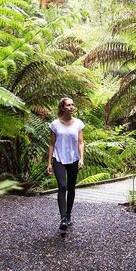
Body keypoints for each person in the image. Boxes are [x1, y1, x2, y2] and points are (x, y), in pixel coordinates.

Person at [46, 97, 85, 231]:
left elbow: (81, 142)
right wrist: (49, 163)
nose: (71, 107)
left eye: (72, 105)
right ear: (62, 108)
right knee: (62, 186)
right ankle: (63, 218)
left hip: (73, 159)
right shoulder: (55, 125)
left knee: (71, 187)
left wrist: (81, 159)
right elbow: (51, 144)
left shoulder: (78, 123)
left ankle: (68, 215)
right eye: (68, 105)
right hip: (59, 159)